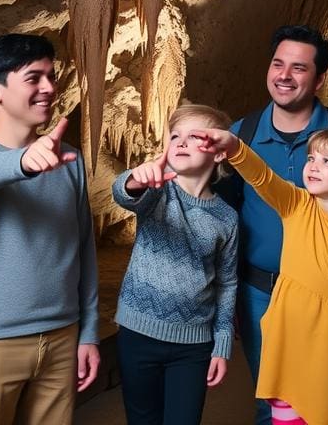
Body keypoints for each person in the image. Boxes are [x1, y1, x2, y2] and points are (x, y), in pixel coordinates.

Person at [219, 24, 328, 425]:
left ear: (319, 79)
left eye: (298, 68)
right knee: (274, 402)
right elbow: (237, 200)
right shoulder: (243, 133)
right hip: (262, 294)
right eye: (278, 64)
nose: (284, 75)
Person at [0, 34, 99, 425]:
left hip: (62, 337)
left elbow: (84, 250)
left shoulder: (70, 160)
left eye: (51, 76)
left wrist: (89, 332)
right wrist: (25, 161)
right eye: (34, 78)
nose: (50, 88)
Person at [197, 126, 328, 425]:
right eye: (311, 158)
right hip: (288, 345)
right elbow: (263, 177)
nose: (313, 166)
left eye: (327, 161)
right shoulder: (296, 205)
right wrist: (234, 147)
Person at [112, 104, 239, 425]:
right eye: (174, 136)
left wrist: (222, 344)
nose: (180, 143)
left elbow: (227, 283)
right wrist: (135, 179)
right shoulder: (157, 193)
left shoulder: (227, 218)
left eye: (194, 137)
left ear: (220, 153)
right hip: (137, 332)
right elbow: (124, 193)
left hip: (193, 346)